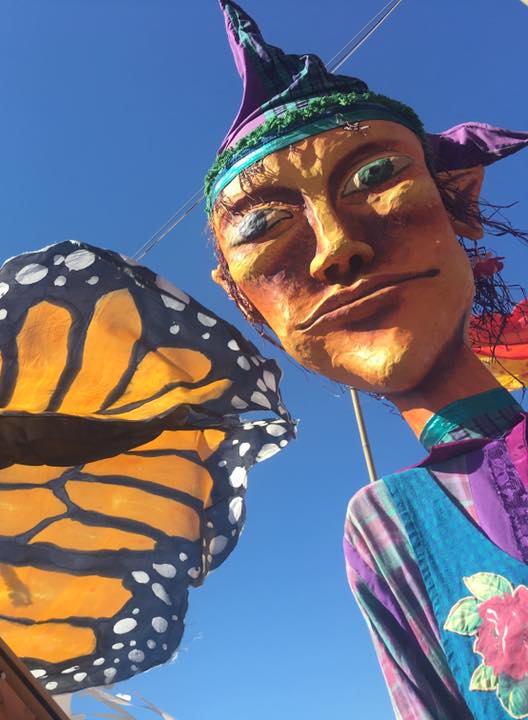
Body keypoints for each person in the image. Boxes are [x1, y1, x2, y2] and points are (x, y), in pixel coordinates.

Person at [205, 2, 528, 718]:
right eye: (263, 227)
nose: (335, 249)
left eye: (376, 175)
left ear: (459, 200)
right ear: (247, 303)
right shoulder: (388, 524)